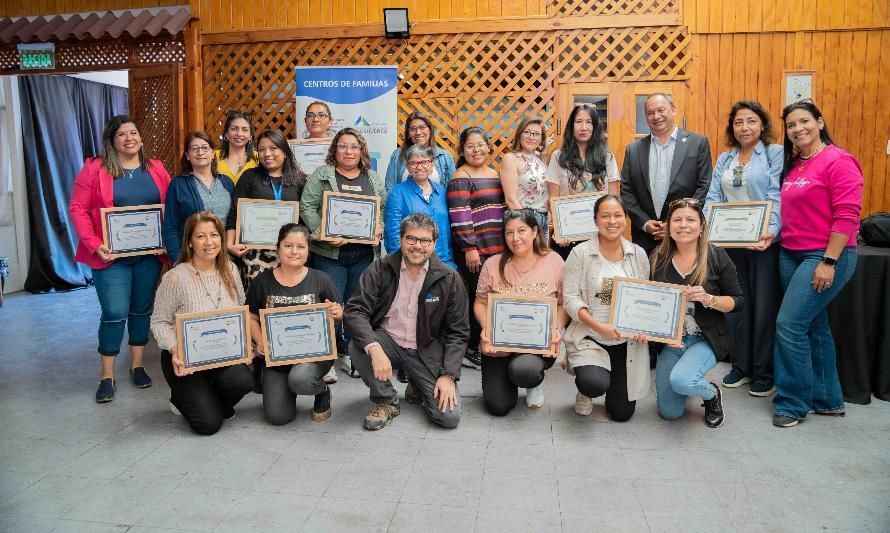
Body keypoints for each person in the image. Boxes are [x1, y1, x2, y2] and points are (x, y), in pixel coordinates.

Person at [771, 100, 863, 428]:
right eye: (792, 125)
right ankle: (827, 398)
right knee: (813, 325)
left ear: (820, 122)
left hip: (823, 256)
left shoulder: (838, 161)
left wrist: (828, 261)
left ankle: (793, 404)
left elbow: (848, 216)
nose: (798, 129)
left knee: (789, 325)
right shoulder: (795, 164)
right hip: (790, 253)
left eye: (804, 121)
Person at [69, 114, 171, 403]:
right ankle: (107, 375)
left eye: (134, 132)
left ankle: (137, 366)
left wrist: (166, 242)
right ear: (112, 141)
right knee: (114, 312)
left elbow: (169, 206)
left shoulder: (156, 168)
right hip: (109, 256)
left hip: (149, 256)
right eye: (122, 134)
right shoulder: (94, 169)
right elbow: (77, 208)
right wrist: (94, 243)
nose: (130, 138)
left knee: (141, 310)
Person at [345, 213, 468, 430]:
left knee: (448, 417)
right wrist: (374, 348)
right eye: (411, 239)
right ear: (401, 239)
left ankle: (417, 383)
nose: (417, 246)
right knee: (358, 346)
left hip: (426, 350)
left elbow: (458, 332)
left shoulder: (449, 278)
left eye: (425, 241)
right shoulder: (380, 269)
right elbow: (355, 310)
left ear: (434, 243)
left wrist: (448, 375)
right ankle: (386, 399)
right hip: (388, 342)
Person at [150, 212, 254, 435]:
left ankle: (206, 400)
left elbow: (240, 310)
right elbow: (159, 322)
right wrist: (175, 349)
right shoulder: (175, 277)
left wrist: (247, 344)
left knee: (244, 380)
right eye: (201, 236)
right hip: (185, 358)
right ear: (189, 241)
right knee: (208, 425)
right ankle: (182, 398)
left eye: (215, 235)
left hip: (222, 355)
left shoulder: (231, 270)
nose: (209, 242)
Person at [705, 100, 783, 396]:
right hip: (729, 245)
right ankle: (741, 366)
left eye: (750, 121)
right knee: (737, 305)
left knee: (764, 308)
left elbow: (776, 194)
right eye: (738, 122)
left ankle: (764, 371)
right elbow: (713, 197)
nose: (744, 127)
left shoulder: (775, 154)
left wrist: (771, 231)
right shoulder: (726, 159)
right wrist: (709, 228)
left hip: (764, 244)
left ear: (762, 124)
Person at [301, 127, 386, 384]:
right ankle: (325, 359)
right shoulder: (322, 175)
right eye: (343, 146)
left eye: (354, 146)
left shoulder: (372, 178)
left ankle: (350, 353)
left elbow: (381, 207)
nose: (348, 151)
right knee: (329, 306)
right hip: (330, 254)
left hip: (362, 254)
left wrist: (378, 226)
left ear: (362, 151)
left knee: (354, 306)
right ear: (334, 150)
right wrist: (321, 232)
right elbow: (307, 205)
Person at [651, 198, 743, 428]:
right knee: (669, 413)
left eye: (690, 220)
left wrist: (709, 299)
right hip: (673, 341)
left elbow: (738, 301)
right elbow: (650, 303)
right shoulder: (658, 258)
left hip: (706, 339)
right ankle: (688, 381)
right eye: (677, 220)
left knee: (681, 380)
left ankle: (711, 394)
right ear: (668, 227)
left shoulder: (716, 256)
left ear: (702, 226)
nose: (683, 225)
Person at [562, 195, 650, 420]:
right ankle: (586, 389)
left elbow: (644, 298)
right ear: (595, 220)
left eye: (618, 215)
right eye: (605, 216)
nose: (612, 221)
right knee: (593, 383)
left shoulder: (638, 255)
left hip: (625, 341)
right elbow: (570, 299)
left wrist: (643, 327)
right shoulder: (580, 253)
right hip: (590, 335)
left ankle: (610, 379)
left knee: (621, 413)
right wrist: (599, 327)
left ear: (626, 219)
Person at [246, 224, 343, 425]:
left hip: (313, 357)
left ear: (308, 250)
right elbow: (251, 317)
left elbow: (339, 314)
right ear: (278, 248)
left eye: (301, 246)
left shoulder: (321, 279)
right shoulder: (262, 281)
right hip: (277, 359)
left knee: (300, 379)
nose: (294, 251)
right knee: (277, 417)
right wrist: (259, 341)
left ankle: (321, 390)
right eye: (288, 245)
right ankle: (287, 389)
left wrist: (337, 313)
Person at [474, 209, 567, 414]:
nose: (515, 238)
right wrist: (486, 327)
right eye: (509, 232)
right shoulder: (492, 264)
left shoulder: (555, 262)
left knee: (525, 371)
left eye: (521, 230)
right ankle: (506, 379)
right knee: (498, 406)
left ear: (535, 231)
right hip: (498, 344)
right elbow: (480, 303)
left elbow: (562, 303)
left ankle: (531, 383)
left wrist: (556, 329)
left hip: (535, 346)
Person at [620, 94, 713, 255]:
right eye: (650, 113)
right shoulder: (633, 150)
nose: (656, 116)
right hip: (645, 239)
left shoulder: (697, 143)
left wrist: (675, 222)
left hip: (684, 236)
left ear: (673, 110)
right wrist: (645, 222)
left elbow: (704, 185)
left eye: (661, 110)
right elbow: (626, 190)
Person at [446, 127, 506, 371]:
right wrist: (469, 247)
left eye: (480, 145)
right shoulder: (460, 176)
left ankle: (490, 340)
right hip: (475, 251)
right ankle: (471, 348)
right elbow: (459, 215)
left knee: (493, 295)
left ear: (489, 147)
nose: (476, 150)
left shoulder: (495, 173)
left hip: (498, 247)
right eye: (470, 146)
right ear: (462, 150)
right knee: (476, 297)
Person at [226, 129, 307, 286]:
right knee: (258, 303)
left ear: (284, 151)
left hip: (291, 252)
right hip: (255, 254)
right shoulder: (249, 176)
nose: (266, 154)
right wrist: (230, 244)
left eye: (273, 148)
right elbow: (234, 213)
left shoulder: (299, 179)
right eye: (261, 149)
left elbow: (305, 217)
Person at [545, 103, 619, 257]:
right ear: (571, 126)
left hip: (601, 236)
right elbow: (553, 198)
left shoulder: (607, 157)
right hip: (568, 237)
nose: (583, 127)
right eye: (578, 122)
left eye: (588, 122)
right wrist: (560, 230)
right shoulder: (558, 157)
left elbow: (614, 199)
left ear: (595, 126)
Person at [164, 132, 235, 263]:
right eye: (194, 148)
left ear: (213, 153)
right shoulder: (178, 184)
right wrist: (177, 261)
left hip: (224, 258)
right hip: (191, 258)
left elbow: (233, 220)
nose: (200, 152)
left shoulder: (227, 182)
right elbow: (170, 227)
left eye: (204, 147)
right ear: (187, 155)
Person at [385, 144, 456, 269]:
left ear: (432, 164)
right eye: (414, 163)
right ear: (407, 166)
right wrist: (400, 265)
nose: (420, 167)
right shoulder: (397, 193)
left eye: (424, 162)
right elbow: (393, 233)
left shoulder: (442, 192)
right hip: (412, 264)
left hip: (443, 262)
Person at [500, 118, 550, 240]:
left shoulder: (540, 159)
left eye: (536, 134)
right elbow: (511, 200)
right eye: (527, 132)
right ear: (519, 134)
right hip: (524, 218)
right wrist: (527, 225)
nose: (531, 137)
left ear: (541, 139)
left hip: (544, 219)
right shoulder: (510, 159)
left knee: (541, 258)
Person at [384, 111, 456, 191]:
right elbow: (390, 188)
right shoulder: (397, 155)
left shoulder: (444, 156)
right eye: (413, 129)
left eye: (422, 127)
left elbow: (452, 190)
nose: (418, 132)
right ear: (408, 133)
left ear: (430, 129)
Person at [215, 110, 258, 184]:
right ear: (226, 134)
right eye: (234, 129)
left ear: (250, 136)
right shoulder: (213, 156)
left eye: (245, 130)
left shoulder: (258, 158)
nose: (239, 134)